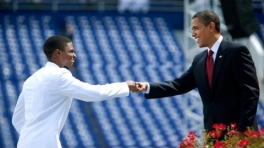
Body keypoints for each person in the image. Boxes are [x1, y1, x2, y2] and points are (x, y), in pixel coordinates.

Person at [134, 10, 260, 138]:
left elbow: (250, 92)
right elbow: (179, 85)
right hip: (213, 136)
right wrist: (146, 87)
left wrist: (244, 129)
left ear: (211, 26)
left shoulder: (236, 51)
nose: (193, 34)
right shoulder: (199, 60)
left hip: (239, 134)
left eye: (196, 28)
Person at [12, 35, 136, 148]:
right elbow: (95, 93)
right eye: (71, 51)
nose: (74, 55)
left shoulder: (31, 79)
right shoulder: (60, 75)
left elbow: (17, 119)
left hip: (23, 143)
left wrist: (31, 136)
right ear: (58, 53)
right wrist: (125, 86)